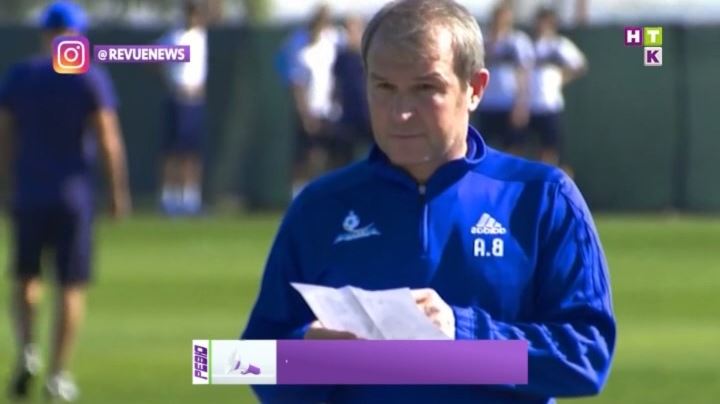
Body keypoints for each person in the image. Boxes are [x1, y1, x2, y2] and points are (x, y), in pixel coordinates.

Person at [242, 0, 615, 403]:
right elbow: (250, 363)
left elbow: (586, 358)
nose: (401, 113)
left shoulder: (543, 196)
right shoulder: (319, 206)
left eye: (426, 88)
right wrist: (307, 355)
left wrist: (464, 334)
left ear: (475, 89)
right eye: (384, 87)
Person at [0, 1, 130, 401]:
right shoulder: (88, 76)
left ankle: (27, 349)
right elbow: (107, 138)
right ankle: (58, 373)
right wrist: (117, 192)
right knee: (70, 285)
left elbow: (4, 136)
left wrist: (4, 184)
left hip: (29, 191)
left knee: (26, 277)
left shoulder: (21, 76)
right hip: (73, 195)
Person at [157, 0, 208, 215]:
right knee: (173, 151)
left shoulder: (201, 36)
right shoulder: (174, 37)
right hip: (178, 100)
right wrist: (170, 82)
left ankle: (190, 198)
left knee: (192, 151)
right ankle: (169, 198)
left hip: (196, 101)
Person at [287, 4, 343, 197]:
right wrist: (305, 114)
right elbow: (297, 83)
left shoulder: (332, 40)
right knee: (306, 158)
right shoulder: (298, 45)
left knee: (327, 157)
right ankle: (297, 196)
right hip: (308, 111)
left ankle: (326, 196)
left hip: (328, 111)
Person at [527, 7, 587, 171]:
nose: (541, 26)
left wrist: (562, 78)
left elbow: (580, 65)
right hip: (529, 106)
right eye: (539, 22)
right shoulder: (528, 45)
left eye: (545, 22)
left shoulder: (559, 45)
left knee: (550, 147)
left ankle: (549, 176)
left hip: (550, 104)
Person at [473, 2, 533, 154]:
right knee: (483, 148)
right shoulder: (483, 41)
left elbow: (523, 73)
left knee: (512, 148)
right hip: (487, 104)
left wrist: (521, 104)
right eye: (497, 17)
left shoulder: (517, 41)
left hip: (509, 104)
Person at [331, 15, 372, 167]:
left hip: (369, 116)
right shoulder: (341, 58)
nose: (349, 33)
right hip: (348, 118)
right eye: (347, 29)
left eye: (353, 29)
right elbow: (336, 86)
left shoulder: (370, 56)